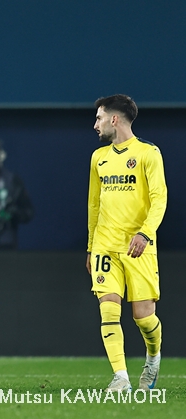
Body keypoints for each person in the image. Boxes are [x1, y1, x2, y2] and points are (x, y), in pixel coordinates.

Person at [88, 94, 166, 392]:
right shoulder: (99, 158)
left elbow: (160, 198)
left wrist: (145, 233)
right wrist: (90, 245)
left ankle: (153, 357)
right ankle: (120, 376)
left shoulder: (148, 153)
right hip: (105, 246)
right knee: (108, 308)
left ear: (114, 119)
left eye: (99, 117)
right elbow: (94, 205)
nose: (95, 124)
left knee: (143, 317)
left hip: (139, 246)